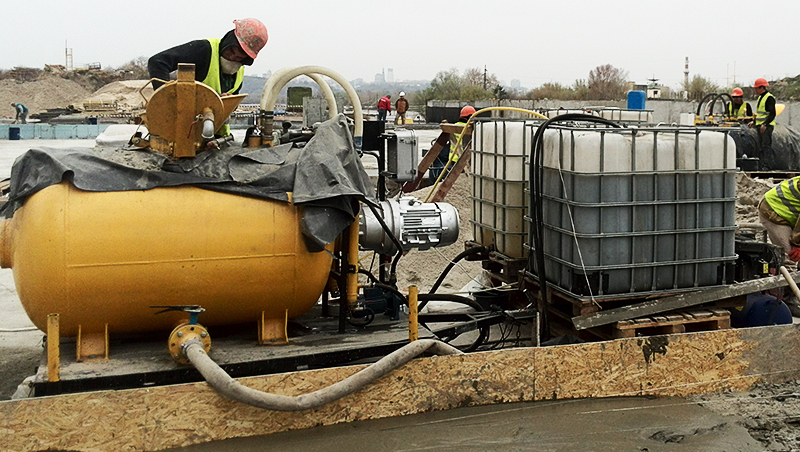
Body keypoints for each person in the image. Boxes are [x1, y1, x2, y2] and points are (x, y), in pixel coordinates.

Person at [147, 18, 268, 136]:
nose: (232, 57)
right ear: (229, 40)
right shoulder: (203, 50)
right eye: (231, 51)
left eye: (239, 57)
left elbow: (231, 104)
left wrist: (227, 102)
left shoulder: (239, 71)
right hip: (185, 135)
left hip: (216, 138)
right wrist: (168, 100)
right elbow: (158, 62)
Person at [759, 179, 800, 315]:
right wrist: (797, 244)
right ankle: (789, 300)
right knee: (790, 258)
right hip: (774, 211)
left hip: (790, 214)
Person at [430, 105, 475, 183]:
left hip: (453, 159)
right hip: (466, 161)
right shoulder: (471, 129)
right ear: (471, 117)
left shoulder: (454, 126)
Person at [749, 78, 776, 170]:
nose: (755, 90)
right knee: (760, 146)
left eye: (756, 88)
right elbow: (760, 113)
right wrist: (754, 121)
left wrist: (765, 124)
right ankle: (762, 165)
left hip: (766, 127)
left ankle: (767, 166)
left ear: (762, 88)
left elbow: (772, 113)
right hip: (760, 125)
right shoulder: (761, 97)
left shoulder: (769, 98)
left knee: (766, 146)